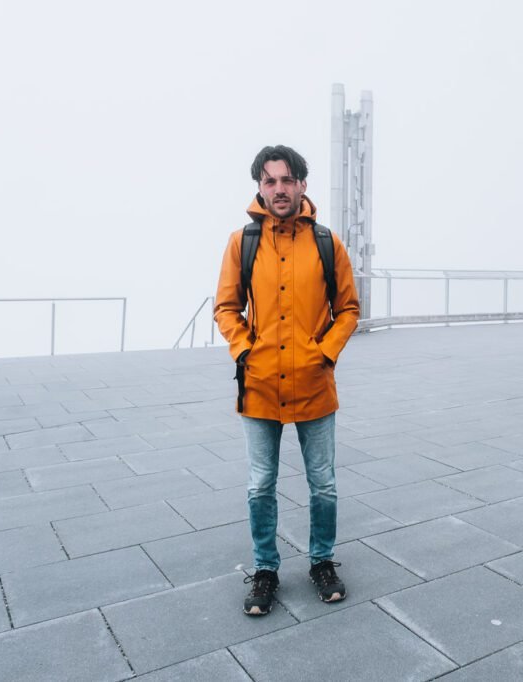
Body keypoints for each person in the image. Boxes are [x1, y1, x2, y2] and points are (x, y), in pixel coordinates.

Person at [214, 145, 360, 616]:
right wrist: (244, 350)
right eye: (270, 180)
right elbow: (225, 308)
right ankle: (265, 570)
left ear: (302, 185)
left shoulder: (325, 242)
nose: (279, 189)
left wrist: (324, 353)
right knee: (260, 485)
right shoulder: (243, 242)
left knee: (324, 486)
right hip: (259, 386)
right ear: (260, 185)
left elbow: (350, 310)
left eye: (287, 180)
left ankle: (322, 562)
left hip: (314, 385)